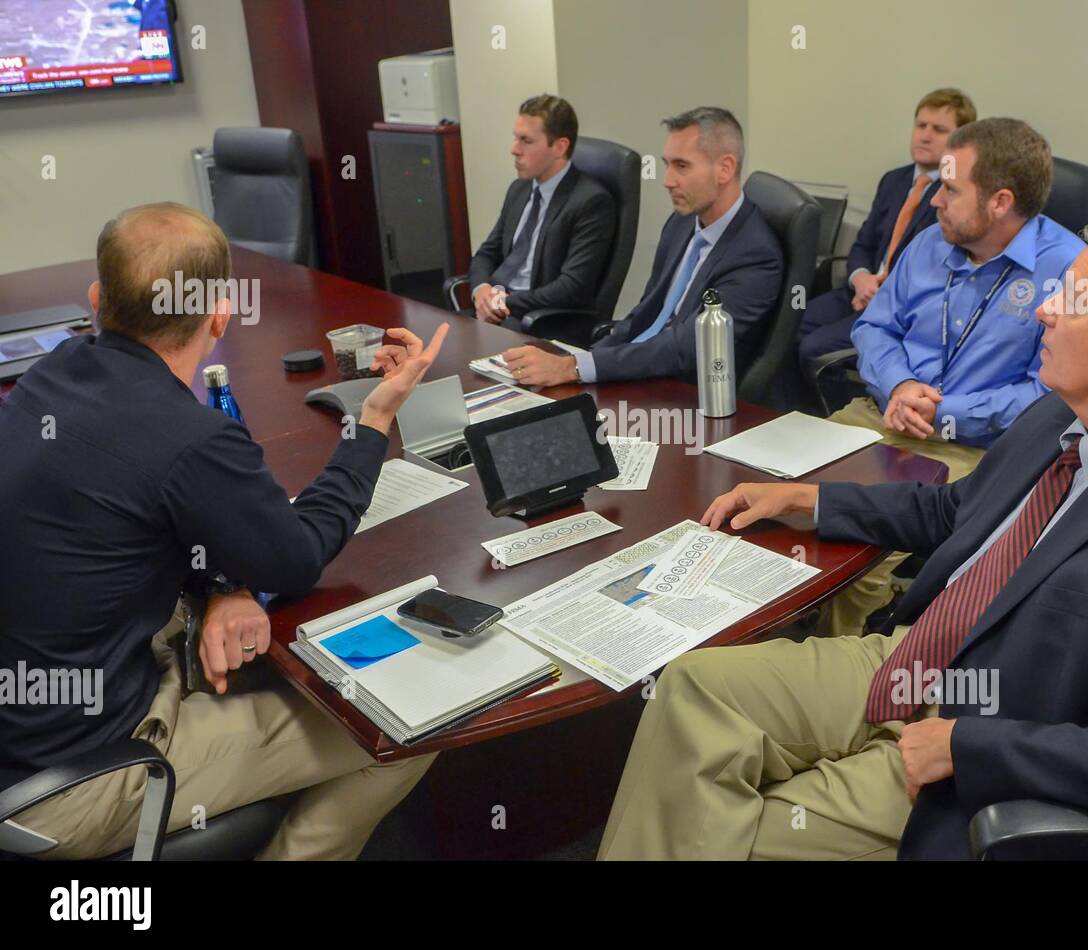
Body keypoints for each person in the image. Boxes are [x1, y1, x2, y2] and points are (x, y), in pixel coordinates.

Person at [598, 218, 1088, 860]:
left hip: (989, 731)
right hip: (910, 654)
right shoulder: (1060, 413)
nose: (1044, 309)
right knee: (688, 689)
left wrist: (969, 744)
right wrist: (809, 501)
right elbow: (957, 511)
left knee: (737, 824)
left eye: (1073, 300)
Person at [0, 202, 446, 860]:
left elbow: (133, 514)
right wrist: (375, 418)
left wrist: (223, 587)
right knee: (406, 723)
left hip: (28, 726)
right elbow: (295, 560)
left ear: (98, 300)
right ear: (219, 316)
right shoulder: (191, 438)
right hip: (73, 784)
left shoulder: (52, 373)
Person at [823, 117, 1086, 635]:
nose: (935, 200)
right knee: (776, 496)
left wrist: (944, 411)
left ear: (1000, 202)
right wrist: (899, 385)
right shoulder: (929, 242)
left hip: (970, 449)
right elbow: (875, 325)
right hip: (878, 413)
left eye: (949, 188)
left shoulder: (1068, 272)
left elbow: (1052, 397)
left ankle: (828, 680)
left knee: (855, 561)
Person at [501, 107, 783, 387]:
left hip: (685, 396)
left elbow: (687, 348)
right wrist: (585, 359)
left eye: (682, 166)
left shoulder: (754, 255)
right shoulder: (681, 224)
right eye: (667, 164)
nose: (667, 181)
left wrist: (575, 368)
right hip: (640, 372)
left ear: (725, 168)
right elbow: (646, 314)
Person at [799, 88, 976, 369]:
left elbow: (938, 269)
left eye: (938, 129)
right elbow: (863, 244)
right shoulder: (894, 180)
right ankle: (785, 410)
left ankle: (829, 411)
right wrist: (860, 279)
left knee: (814, 347)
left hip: (898, 307)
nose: (925, 135)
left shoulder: (953, 195)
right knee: (789, 325)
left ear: (960, 140)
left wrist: (882, 292)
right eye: (921, 125)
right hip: (860, 289)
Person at [466, 94, 616, 328]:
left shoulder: (591, 201)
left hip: (536, 319)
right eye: (516, 139)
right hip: (499, 308)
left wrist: (505, 302)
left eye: (526, 141)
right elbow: (487, 253)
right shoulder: (519, 188)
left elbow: (572, 286)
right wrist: (482, 290)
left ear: (559, 146)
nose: (514, 149)